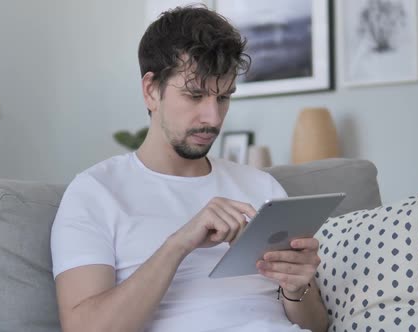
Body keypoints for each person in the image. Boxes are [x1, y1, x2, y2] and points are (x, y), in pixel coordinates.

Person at [51, 6, 328, 332]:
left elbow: (318, 326)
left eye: (223, 97)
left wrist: (297, 288)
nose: (213, 118)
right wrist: (178, 244)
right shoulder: (95, 193)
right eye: (194, 95)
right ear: (151, 90)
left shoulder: (262, 188)